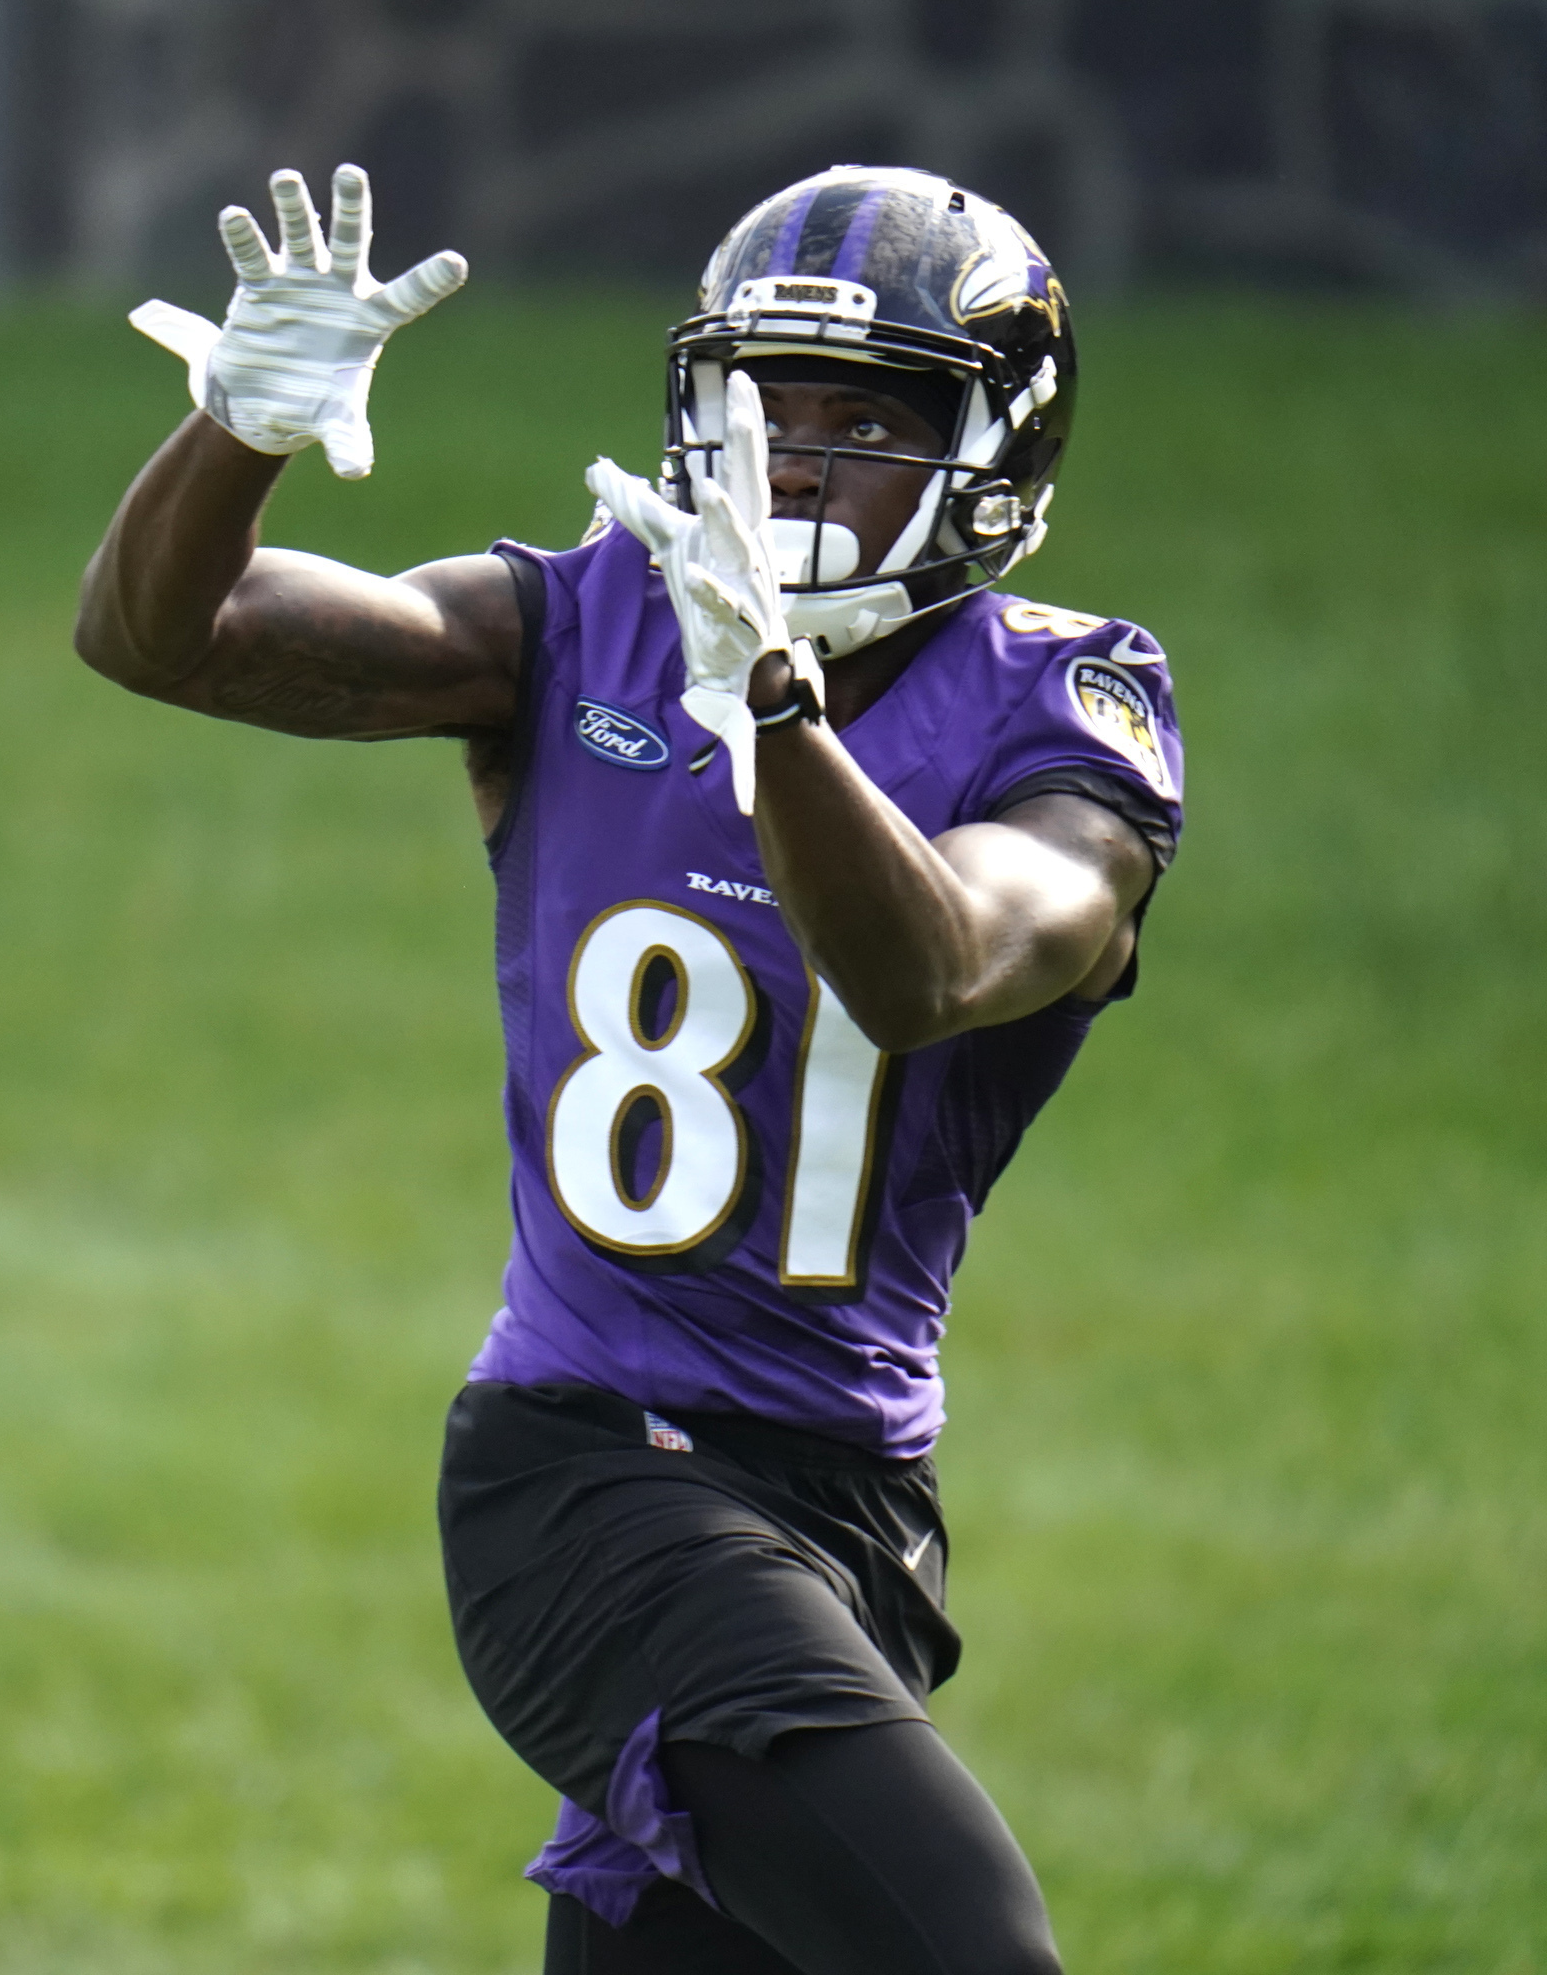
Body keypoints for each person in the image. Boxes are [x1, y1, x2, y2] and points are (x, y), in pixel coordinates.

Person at [74, 163, 1184, 1975]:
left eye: (868, 422)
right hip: (587, 1481)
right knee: (969, 1950)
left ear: (996, 462)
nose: (797, 461)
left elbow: (938, 970)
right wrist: (235, 437)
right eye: (763, 409)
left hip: (849, 1512)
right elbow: (156, 638)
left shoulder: (1067, 708)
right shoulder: (585, 623)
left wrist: (780, 723)